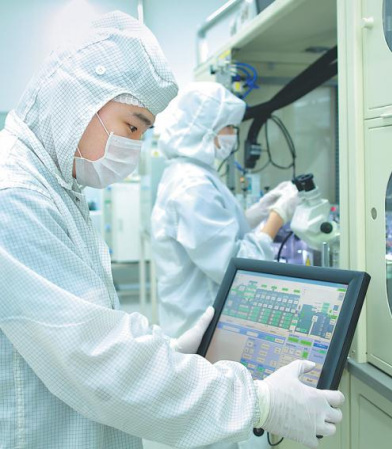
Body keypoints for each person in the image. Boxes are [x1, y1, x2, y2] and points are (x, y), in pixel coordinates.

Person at [0, 11, 344, 449]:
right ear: (79, 99)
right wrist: (258, 404)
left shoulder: (54, 185)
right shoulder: (15, 195)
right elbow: (94, 357)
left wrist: (166, 351)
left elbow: (87, 324)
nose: (136, 148)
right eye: (132, 126)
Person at [151, 82, 300, 339]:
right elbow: (234, 264)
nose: (233, 134)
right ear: (206, 129)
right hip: (201, 326)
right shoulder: (192, 185)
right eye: (229, 127)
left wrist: (258, 212)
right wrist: (277, 217)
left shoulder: (190, 172)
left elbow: (214, 232)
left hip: (196, 317)